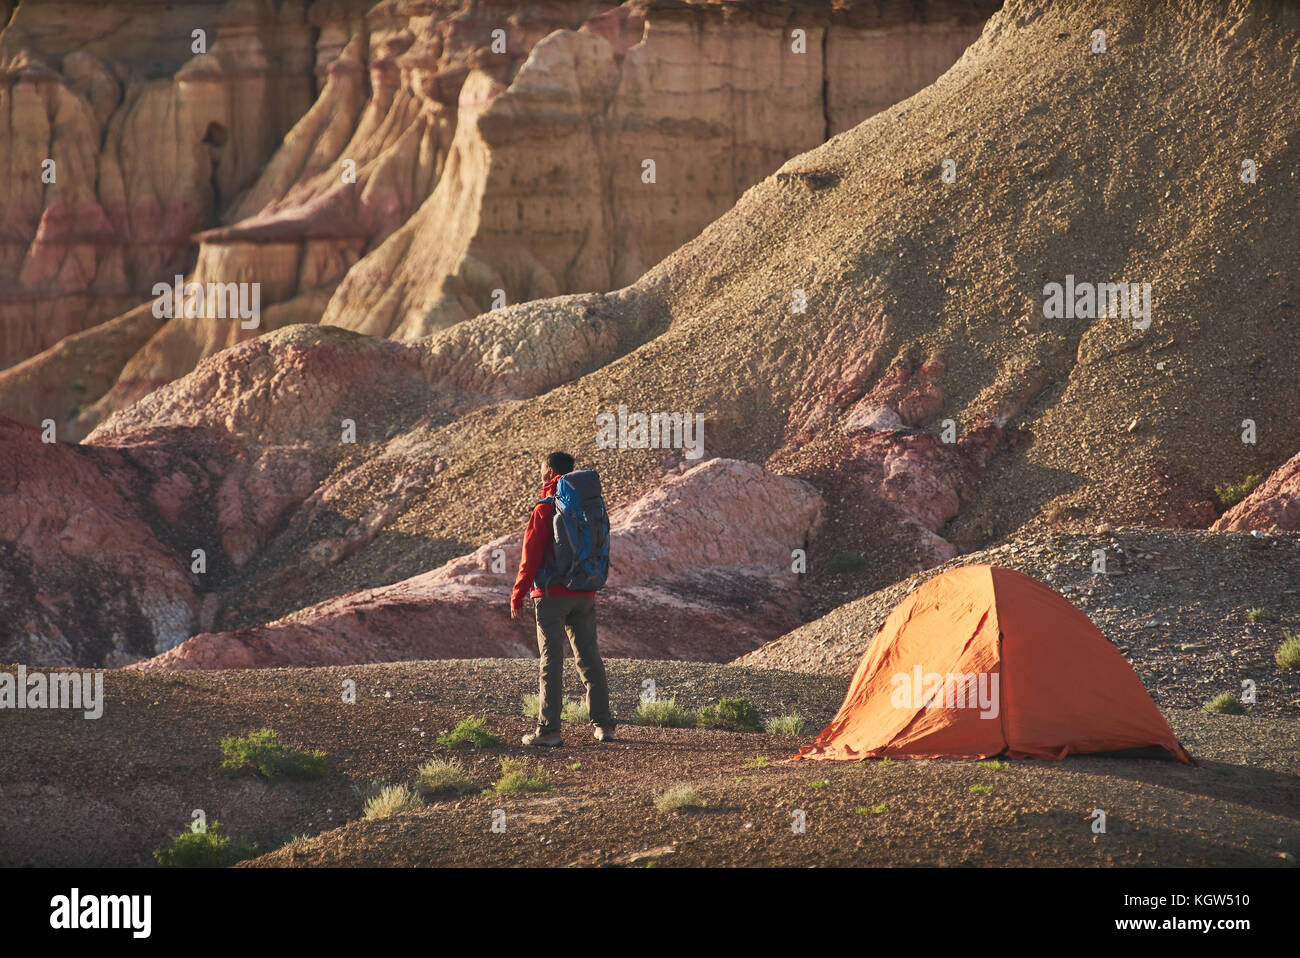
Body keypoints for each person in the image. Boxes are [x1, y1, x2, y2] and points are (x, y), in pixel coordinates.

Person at [511, 451, 614, 746]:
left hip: (551, 595)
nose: (540, 476)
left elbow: (529, 557)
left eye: (542, 471)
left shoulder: (545, 508)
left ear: (550, 472)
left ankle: (549, 731)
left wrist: (518, 593)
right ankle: (604, 726)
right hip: (584, 591)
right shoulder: (587, 507)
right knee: (589, 657)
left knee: (551, 661)